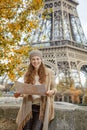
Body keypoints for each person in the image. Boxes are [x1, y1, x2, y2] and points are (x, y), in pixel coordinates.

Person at [14, 49, 57, 130]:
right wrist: (19, 94)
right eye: (33, 59)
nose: (35, 61)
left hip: (41, 107)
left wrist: (51, 92)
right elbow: (26, 92)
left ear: (41, 59)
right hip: (28, 107)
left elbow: (54, 88)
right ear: (30, 61)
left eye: (37, 59)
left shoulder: (49, 72)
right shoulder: (27, 74)